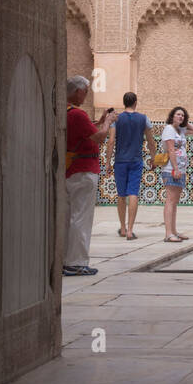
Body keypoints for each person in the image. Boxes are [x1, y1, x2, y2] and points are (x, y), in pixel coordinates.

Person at [63, 76, 115, 276]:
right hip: (83, 170)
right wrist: (108, 123)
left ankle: (66, 260)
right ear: (77, 91)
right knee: (81, 218)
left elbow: (86, 132)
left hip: (70, 170)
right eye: (85, 91)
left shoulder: (66, 112)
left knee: (69, 217)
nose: (86, 95)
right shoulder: (78, 114)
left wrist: (100, 121)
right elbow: (99, 138)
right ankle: (76, 263)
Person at [103, 91, 156, 239]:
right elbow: (151, 141)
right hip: (136, 160)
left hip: (120, 161)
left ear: (124, 102)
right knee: (133, 193)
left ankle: (123, 228)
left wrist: (107, 161)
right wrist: (153, 158)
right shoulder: (144, 119)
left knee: (121, 194)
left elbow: (111, 141)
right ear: (135, 102)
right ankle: (131, 230)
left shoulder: (116, 119)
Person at [160, 106, 193, 243]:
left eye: (182, 115)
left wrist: (184, 121)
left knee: (175, 202)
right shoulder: (169, 129)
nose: (180, 117)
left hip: (181, 169)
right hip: (171, 169)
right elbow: (171, 150)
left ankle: (174, 231)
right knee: (170, 200)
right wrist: (175, 168)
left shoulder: (180, 130)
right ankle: (168, 233)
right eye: (178, 114)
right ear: (172, 116)